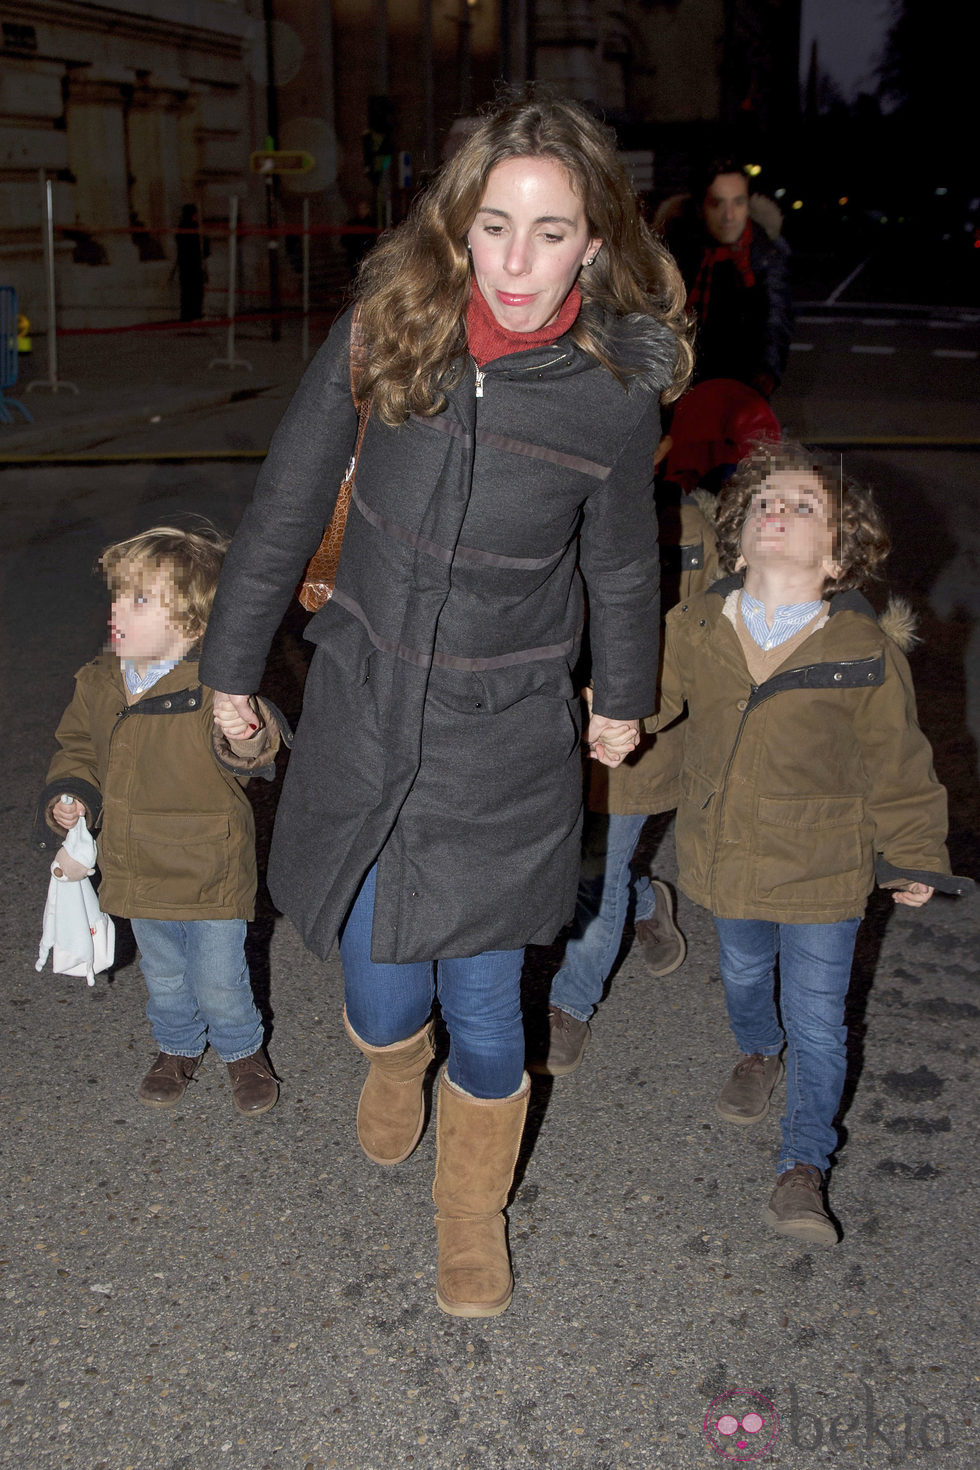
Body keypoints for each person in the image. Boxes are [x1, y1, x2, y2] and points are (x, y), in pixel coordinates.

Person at [199, 91, 692, 1317]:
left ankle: (468, 1219)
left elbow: (623, 560)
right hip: (364, 712)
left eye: (550, 230)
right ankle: (389, 1060)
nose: (516, 262)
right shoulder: (385, 331)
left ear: (595, 239)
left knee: (486, 1005)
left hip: (506, 736)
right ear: (455, 227)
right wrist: (225, 666)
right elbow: (282, 504)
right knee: (378, 991)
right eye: (492, 225)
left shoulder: (611, 396)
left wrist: (620, 698)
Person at [647, 441, 966, 1245]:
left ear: (836, 550)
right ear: (740, 528)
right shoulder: (695, 623)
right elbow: (651, 696)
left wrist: (914, 850)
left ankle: (802, 1166)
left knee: (820, 1019)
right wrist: (609, 720)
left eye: (802, 506)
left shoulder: (861, 651)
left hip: (826, 865)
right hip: (727, 852)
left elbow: (898, 760)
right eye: (763, 503)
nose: (777, 512)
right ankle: (758, 1050)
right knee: (746, 973)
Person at [33, 525, 285, 1116]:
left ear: (194, 624)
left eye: (141, 600)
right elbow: (77, 746)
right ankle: (176, 1046)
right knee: (165, 973)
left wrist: (243, 729)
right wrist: (70, 794)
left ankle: (242, 1050)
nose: (119, 610)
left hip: (208, 863)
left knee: (220, 976)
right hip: (136, 860)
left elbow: (255, 753)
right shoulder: (98, 680)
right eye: (119, 596)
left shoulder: (216, 684)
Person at [655, 160, 792, 399]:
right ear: (700, 207)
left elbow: (776, 318)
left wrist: (765, 374)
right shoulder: (676, 250)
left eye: (738, 202)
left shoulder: (764, 253)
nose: (729, 216)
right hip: (681, 390)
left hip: (744, 391)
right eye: (717, 203)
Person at [175, 204, 209, 322]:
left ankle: (189, 313)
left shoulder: (181, 227)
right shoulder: (193, 227)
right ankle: (195, 313)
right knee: (195, 290)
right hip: (193, 264)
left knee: (187, 291)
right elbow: (202, 247)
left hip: (186, 265)